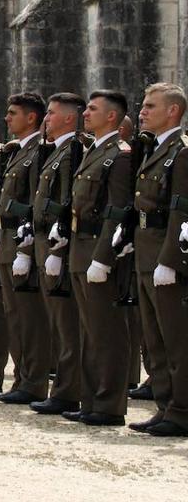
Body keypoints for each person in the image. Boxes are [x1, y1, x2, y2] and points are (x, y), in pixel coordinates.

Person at [63, 89, 132, 425]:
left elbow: (117, 210)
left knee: (106, 332)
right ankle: (91, 400)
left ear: (111, 117)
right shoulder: (95, 151)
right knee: (89, 330)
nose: (85, 114)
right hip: (80, 246)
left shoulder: (118, 156)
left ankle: (109, 405)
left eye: (92, 109)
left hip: (97, 249)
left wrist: (104, 256)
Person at [124, 82, 188, 436]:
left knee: (176, 338)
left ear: (172, 111)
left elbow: (181, 209)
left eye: (150, 106)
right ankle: (166, 406)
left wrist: (171, 259)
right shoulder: (154, 148)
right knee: (154, 338)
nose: (143, 111)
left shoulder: (181, 151)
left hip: (165, 252)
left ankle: (182, 410)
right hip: (146, 249)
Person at [25, 93, 85, 416]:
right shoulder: (56, 151)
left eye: (50, 114)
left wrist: (58, 246)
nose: (45, 119)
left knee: (66, 324)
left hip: (56, 244)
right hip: (41, 241)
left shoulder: (72, 151)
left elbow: (66, 201)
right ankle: (62, 387)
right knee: (56, 321)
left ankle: (67, 390)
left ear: (67, 118)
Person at [0, 92, 52, 406]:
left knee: (30, 319)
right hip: (6, 241)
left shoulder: (39, 153)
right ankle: (22, 379)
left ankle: (34, 382)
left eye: (13, 113)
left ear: (31, 118)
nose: (7, 118)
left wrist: (26, 249)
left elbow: (32, 204)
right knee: (14, 316)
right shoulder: (17, 153)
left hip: (22, 240)